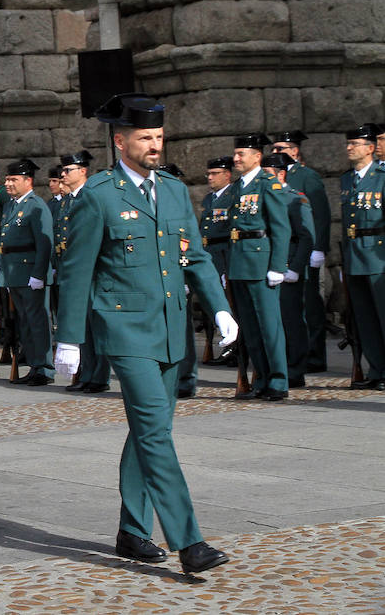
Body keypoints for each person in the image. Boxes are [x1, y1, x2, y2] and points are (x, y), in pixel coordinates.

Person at [55, 92, 237, 574]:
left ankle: (132, 531)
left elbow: (194, 256)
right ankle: (189, 542)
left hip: (170, 327)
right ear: (121, 141)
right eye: (145, 138)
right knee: (156, 432)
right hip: (124, 328)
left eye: (158, 137)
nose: (155, 146)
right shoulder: (98, 194)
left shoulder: (174, 189)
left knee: (149, 430)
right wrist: (69, 338)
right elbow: (76, 271)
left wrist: (219, 310)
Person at [227, 133, 292, 400]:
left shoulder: (267, 185)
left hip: (260, 261)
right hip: (239, 262)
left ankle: (279, 380)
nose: (236, 158)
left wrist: (278, 265)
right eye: (236, 153)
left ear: (257, 157)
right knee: (251, 328)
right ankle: (262, 378)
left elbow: (281, 227)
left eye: (242, 154)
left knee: (269, 326)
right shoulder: (237, 186)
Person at [269, 131, 331, 373]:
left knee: (310, 306)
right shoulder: (272, 177)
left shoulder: (306, 176)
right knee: (291, 308)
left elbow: (321, 214)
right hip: (287, 252)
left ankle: (315, 356)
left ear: (294, 151)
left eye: (280, 148)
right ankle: (297, 354)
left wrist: (319, 248)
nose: (275, 152)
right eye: (273, 149)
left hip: (305, 249)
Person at [56, 150, 108, 395]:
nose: (63, 174)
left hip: (92, 272)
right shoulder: (68, 200)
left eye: (68, 170)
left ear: (83, 171)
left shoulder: (91, 197)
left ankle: (99, 375)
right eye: (63, 170)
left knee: (95, 325)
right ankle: (87, 373)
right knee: (83, 326)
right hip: (74, 269)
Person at [0, 158, 53, 385]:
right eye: (7, 179)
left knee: (37, 321)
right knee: (25, 322)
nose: (8, 184)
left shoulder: (36, 205)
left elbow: (44, 243)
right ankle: (33, 364)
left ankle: (44, 368)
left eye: (13, 179)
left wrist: (39, 274)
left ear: (28, 180)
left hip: (31, 273)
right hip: (15, 274)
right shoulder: (12, 205)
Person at [340, 124, 385, 390]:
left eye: (354, 144)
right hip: (354, 255)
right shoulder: (347, 179)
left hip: (379, 255)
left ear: (369, 149)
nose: (349, 148)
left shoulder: (381, 176)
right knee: (365, 319)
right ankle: (376, 369)